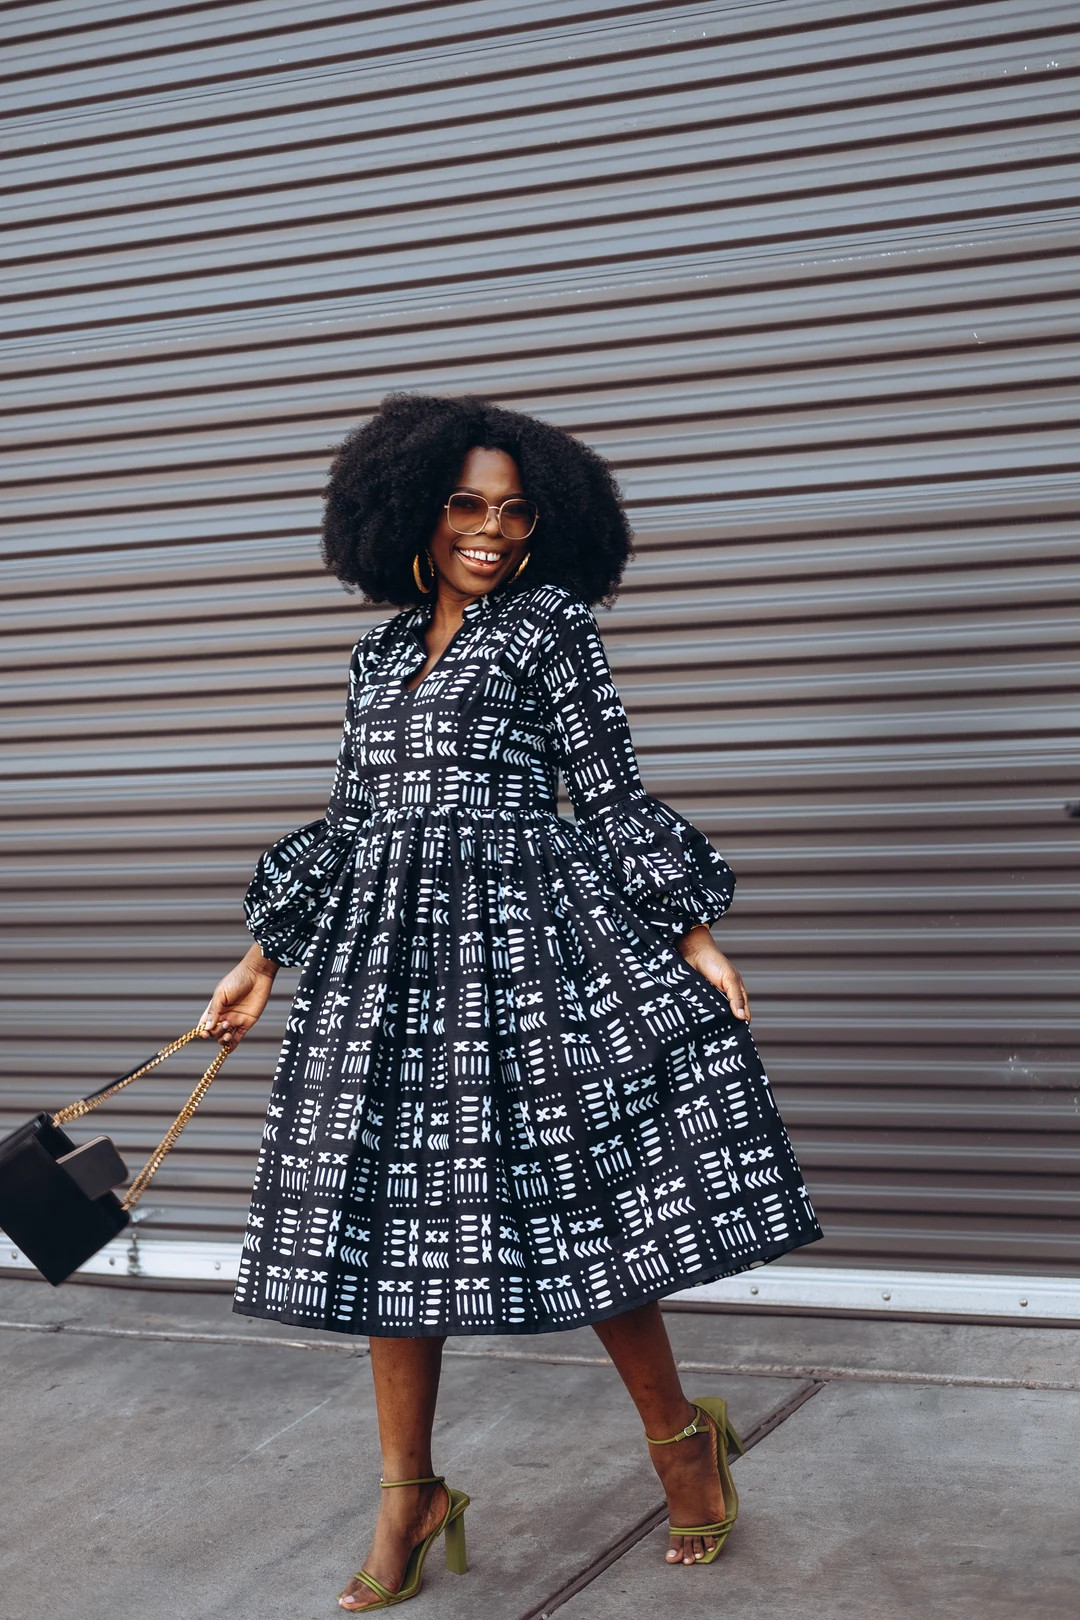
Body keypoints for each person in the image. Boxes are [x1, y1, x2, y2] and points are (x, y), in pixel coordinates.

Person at [199, 392, 823, 1611]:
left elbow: (612, 789)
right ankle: (409, 1499)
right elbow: (353, 822)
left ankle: (681, 1445)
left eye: (514, 510)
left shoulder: (549, 628)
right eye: (466, 504)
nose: (490, 529)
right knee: (390, 1219)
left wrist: (693, 934)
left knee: (579, 1203)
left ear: (546, 525)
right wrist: (262, 957)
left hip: (526, 946)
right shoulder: (377, 657)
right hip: (388, 959)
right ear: (412, 512)